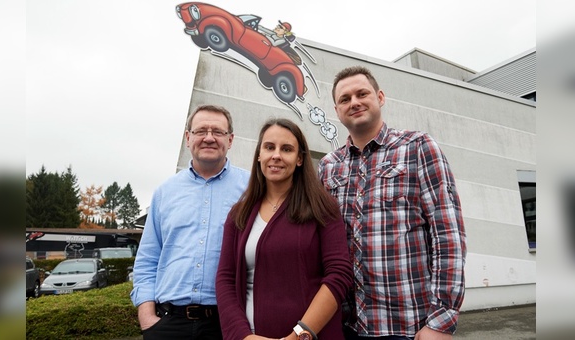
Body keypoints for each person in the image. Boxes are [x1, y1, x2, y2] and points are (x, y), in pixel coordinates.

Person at [318, 66, 467, 340]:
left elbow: (448, 235)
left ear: (380, 97)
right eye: (345, 99)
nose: (354, 102)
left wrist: (441, 321)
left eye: (362, 93)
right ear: (337, 110)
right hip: (346, 325)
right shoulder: (328, 167)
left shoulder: (418, 147)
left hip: (408, 327)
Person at [216, 118, 353, 339]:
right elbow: (225, 279)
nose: (276, 155)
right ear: (259, 154)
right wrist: (243, 336)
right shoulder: (238, 215)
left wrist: (299, 334)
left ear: (299, 159)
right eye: (269, 147)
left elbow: (339, 275)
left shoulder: (322, 209)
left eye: (287, 149)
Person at [130, 104, 250, 340]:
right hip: (168, 325)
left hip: (228, 324)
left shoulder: (251, 189)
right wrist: (147, 317)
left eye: (217, 132)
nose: (209, 138)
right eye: (200, 131)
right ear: (188, 138)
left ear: (231, 139)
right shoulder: (165, 192)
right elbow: (147, 260)